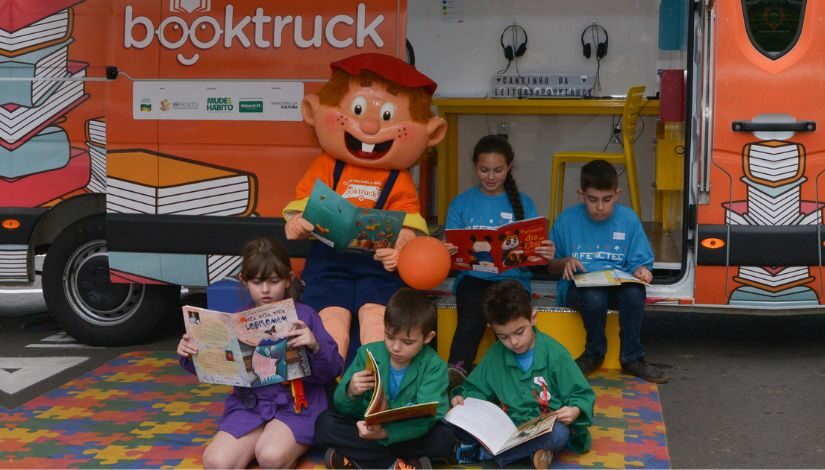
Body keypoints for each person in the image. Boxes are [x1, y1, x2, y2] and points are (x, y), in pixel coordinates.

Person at [283, 53, 447, 363]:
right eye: (358, 110)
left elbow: (409, 223)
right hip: (329, 265)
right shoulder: (325, 165)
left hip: (377, 268)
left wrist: (401, 248)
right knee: (330, 325)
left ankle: (374, 382)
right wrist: (297, 221)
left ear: (432, 132)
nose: (369, 125)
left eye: (386, 115)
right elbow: (301, 204)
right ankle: (332, 388)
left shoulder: (399, 179)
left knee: (376, 323)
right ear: (313, 111)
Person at [177, 238, 343, 469]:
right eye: (257, 282)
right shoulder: (236, 320)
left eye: (274, 281)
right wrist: (191, 352)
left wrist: (315, 346)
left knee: (270, 456)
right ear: (244, 281)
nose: (265, 290)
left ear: (288, 280)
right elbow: (219, 368)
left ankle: (280, 443)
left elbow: (333, 370)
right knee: (216, 462)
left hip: (297, 407)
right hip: (250, 406)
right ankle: (266, 437)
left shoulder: (305, 316)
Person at [443, 134, 555, 389]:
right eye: (484, 170)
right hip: (473, 278)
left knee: (508, 325)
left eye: (498, 170)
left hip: (513, 280)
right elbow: (452, 251)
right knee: (470, 320)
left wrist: (544, 253)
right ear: (474, 167)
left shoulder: (524, 203)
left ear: (510, 168)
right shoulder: (461, 203)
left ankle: (516, 378)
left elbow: (534, 254)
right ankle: (456, 374)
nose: (490, 176)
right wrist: (447, 251)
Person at [449, 279, 595, 469]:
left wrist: (575, 410)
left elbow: (581, 394)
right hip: (505, 427)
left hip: (542, 429)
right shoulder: (494, 355)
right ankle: (528, 456)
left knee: (559, 434)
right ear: (492, 329)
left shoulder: (555, 354)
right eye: (504, 337)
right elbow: (475, 389)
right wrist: (462, 400)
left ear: (533, 317)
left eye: (519, 332)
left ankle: (483, 454)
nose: (514, 342)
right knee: (452, 422)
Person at [547, 159, 668, 383]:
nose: (600, 207)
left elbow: (640, 264)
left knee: (634, 293)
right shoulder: (566, 220)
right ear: (581, 194)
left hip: (617, 290)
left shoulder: (628, 219)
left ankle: (632, 357)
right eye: (592, 200)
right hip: (581, 292)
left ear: (617, 194)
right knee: (594, 296)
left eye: (607, 200)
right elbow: (550, 265)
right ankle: (594, 352)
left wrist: (642, 271)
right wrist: (564, 262)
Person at [315, 288, 455, 470]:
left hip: (406, 433)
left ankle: (357, 459)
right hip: (366, 429)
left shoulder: (434, 365)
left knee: (444, 439)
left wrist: (385, 433)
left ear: (428, 338)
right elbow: (342, 407)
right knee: (325, 423)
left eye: (407, 342)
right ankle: (397, 464)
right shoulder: (367, 352)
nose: (396, 347)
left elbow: (427, 418)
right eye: (389, 337)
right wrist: (351, 392)